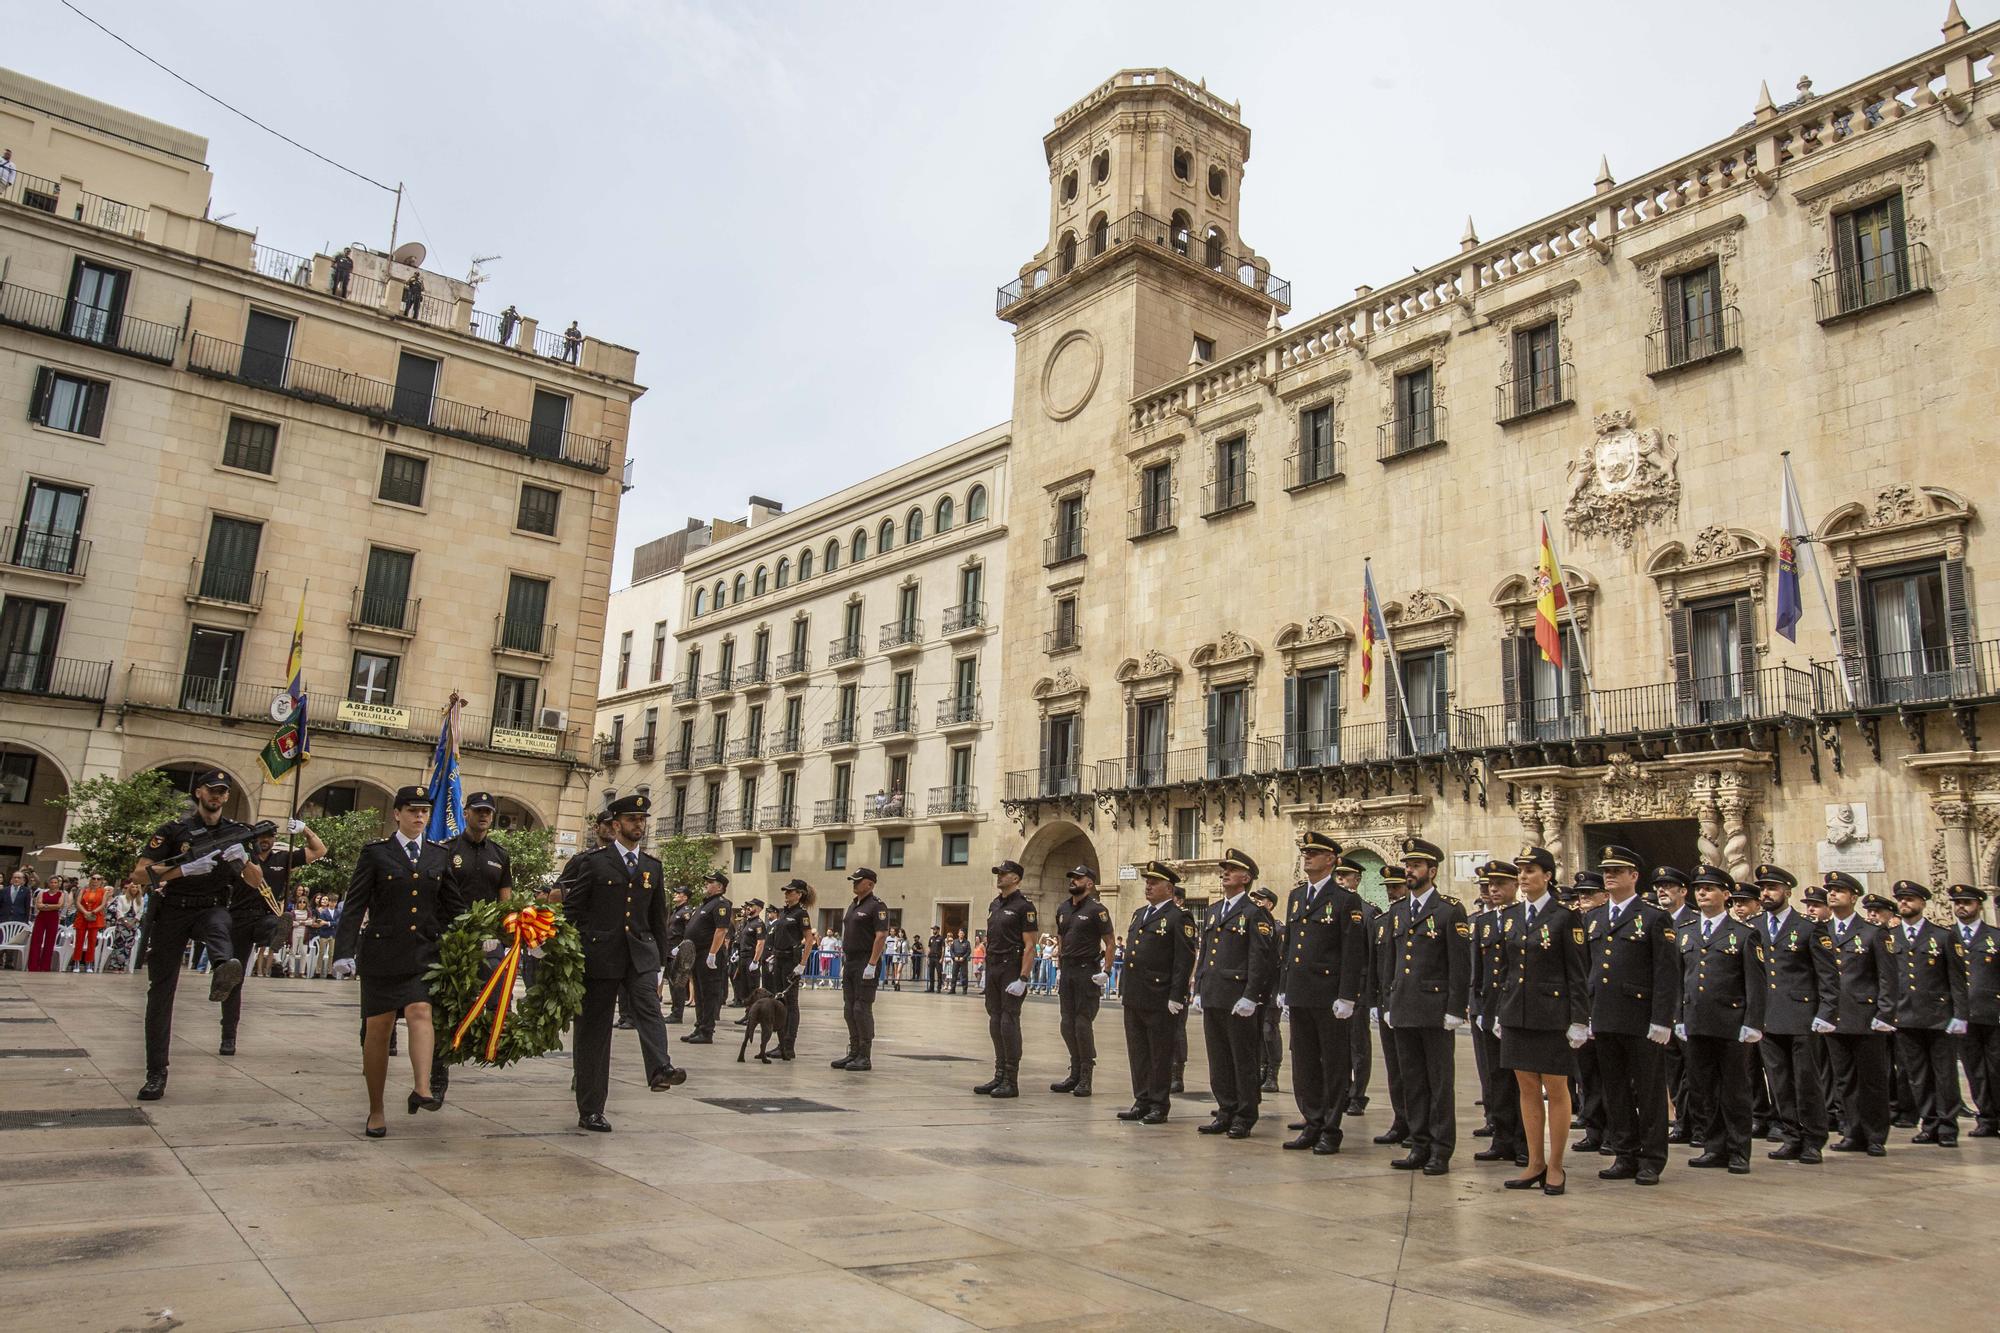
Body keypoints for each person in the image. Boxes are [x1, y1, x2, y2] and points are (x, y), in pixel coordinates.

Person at [130, 770, 264, 1101]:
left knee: (220, 925)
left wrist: (243, 860)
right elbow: (139, 873)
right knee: (160, 993)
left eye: (222, 791)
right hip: (174, 908)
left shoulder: (236, 832)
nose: (217, 796)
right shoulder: (173, 831)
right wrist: (182, 870)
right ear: (199, 792)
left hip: (212, 905)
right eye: (212, 790)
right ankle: (156, 1072)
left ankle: (223, 968)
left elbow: (256, 881)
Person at [330, 787, 447, 1137]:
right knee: (378, 1030)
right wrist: (343, 953)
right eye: (412, 810)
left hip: (422, 953)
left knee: (420, 1012)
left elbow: (452, 906)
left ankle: (423, 1087)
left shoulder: (438, 857)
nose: (419, 817)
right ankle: (376, 1109)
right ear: (396, 814)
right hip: (381, 954)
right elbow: (355, 905)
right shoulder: (376, 854)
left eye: (424, 811)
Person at [1584, 846, 1679, 1187]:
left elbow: (1667, 973)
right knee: (1615, 1089)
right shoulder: (1593, 918)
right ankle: (1624, 1152)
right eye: (1606, 870)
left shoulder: (1653, 917)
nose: (1609, 875)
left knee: (1650, 1091)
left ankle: (1652, 1158)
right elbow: (1588, 971)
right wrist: (1586, 1016)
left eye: (1617, 870)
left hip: (1641, 1019)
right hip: (1605, 1017)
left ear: (1634, 876)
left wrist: (1662, 1020)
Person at [1494, 845, 1586, 1195]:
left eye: (1531, 870)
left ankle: (1557, 1166)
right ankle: (1535, 1162)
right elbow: (1506, 969)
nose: (1523, 876)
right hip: (1517, 1011)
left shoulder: (1565, 917)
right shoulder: (1513, 916)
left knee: (1556, 1088)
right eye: (1520, 870)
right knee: (1526, 1088)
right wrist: (1501, 1010)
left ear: (1547, 876)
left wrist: (1579, 1019)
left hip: (1552, 1015)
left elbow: (1577, 973)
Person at [1384, 837, 1470, 1175]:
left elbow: (1459, 965)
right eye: (1408, 865)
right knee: (1413, 1081)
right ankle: (1418, 1144)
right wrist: (1389, 1000)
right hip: (1404, 1007)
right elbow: (1391, 962)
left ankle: (1440, 1148)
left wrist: (1455, 1008)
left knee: (1439, 1082)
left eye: (1416, 865)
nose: (1409, 870)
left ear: (1432, 871)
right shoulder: (1398, 911)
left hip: (1435, 1009)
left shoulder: (1449, 910)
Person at [1277, 833, 1366, 1156]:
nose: (1307, 857)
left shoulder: (1345, 900)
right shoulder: (1297, 896)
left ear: (1331, 859)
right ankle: (1311, 1120)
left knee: (1333, 1063)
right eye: (1305, 852)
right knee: (1304, 1063)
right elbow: (1290, 947)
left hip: (1329, 996)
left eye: (1314, 853)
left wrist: (1347, 996)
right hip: (1301, 992)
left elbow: (1353, 952)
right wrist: (1284, 988)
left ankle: (1330, 1127)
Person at [1677, 863, 1766, 1174]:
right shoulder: (1685, 933)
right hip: (1697, 1021)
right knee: (1704, 1089)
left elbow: (1755, 983)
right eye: (1699, 887)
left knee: (1735, 1090)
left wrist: (1753, 1022)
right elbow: (1679, 979)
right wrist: (1679, 1016)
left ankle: (1739, 1149)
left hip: (1731, 1022)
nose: (1702, 892)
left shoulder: (1743, 934)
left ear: (1725, 894)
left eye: (1710, 888)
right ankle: (1714, 1146)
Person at [220, 819, 324, 1054]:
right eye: (261, 836)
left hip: (266, 914)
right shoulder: (240, 858)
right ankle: (229, 1035)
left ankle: (276, 937)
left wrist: (304, 830)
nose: (265, 840)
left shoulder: (283, 859)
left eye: (270, 836)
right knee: (234, 978)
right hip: (238, 918)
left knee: (276, 923)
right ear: (253, 839)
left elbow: (319, 850)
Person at [1194, 848, 1277, 1139]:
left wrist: (1252, 995)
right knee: (1218, 1057)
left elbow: (1261, 958)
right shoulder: (1215, 910)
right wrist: (1199, 986)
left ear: (1246, 878)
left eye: (1231, 869)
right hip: (1215, 993)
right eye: (1224, 868)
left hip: (1239, 997)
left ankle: (1245, 1113)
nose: (1225, 872)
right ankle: (1225, 1108)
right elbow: (1205, 952)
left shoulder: (1255, 913)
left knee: (1243, 1058)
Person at [1814, 871, 1895, 1156]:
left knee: (1871, 1079)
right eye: (1830, 890)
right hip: (1834, 1016)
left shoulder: (1872, 932)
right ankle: (1852, 1130)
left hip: (1865, 1014)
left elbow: (1887, 977)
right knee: (1844, 1079)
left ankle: (1875, 1135)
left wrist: (1885, 1013)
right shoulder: (1821, 932)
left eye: (1839, 890)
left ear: (1853, 897)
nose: (1832, 894)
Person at [1886, 879, 1969, 1147]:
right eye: (1900, 899)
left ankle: (1947, 1126)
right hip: (1905, 1015)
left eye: (1909, 899)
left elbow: (1957, 979)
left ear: (1922, 903)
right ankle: (1929, 1122)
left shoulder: (1942, 936)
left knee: (1944, 1074)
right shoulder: (1890, 938)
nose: (1904, 903)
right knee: (1917, 1075)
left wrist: (1960, 1014)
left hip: (1937, 1015)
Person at [1754, 864, 1827, 1164]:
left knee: (1806, 1080)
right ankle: (1791, 1134)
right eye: (1762, 888)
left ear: (1787, 891)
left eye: (1772, 887)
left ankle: (1813, 1139)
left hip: (1801, 1015)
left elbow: (1826, 974)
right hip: (1768, 1017)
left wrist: (1826, 1012)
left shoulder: (1808, 927)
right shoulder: (1755, 928)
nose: (1766, 893)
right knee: (1779, 1081)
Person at [1118, 861, 1196, 1124]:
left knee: (1159, 1053)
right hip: (1135, 994)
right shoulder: (1140, 913)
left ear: (1169, 888)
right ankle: (1142, 1099)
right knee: (1138, 1051)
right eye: (1147, 882)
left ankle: (1159, 1104)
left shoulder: (1179, 917)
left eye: (1154, 882)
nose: (1148, 886)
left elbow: (1183, 960)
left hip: (1160, 996)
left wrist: (1177, 995)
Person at [1470, 860, 1523, 1168]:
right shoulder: (1484, 922)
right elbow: (1480, 968)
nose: (1494, 890)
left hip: (1514, 1009)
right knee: (1496, 1079)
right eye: (1490, 885)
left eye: (1501, 884)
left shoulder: (1522, 918)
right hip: (1489, 1010)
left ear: (1515, 886)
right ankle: (1501, 1137)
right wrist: (1476, 1006)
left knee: (1520, 1081)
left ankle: (1523, 1141)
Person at [1051, 864, 1116, 1097]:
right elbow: (1060, 936)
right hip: (1068, 970)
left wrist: (1107, 971)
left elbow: (1110, 942)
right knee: (1066, 1023)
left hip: (1086, 971)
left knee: (1082, 1023)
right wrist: (1060, 963)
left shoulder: (1097, 910)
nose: (1073, 881)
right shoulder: (1063, 908)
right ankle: (1075, 1070)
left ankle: (1087, 1074)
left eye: (1078, 878)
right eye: (1072, 877)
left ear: (1089, 883)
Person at [975, 861, 1039, 1098]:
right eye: (998, 874)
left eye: (1004, 874)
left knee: (1008, 1022)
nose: (999, 877)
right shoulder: (995, 904)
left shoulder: (1025, 907)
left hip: (1012, 966)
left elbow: (1030, 945)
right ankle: (999, 1074)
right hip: (993, 966)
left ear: (1016, 878)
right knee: (994, 1019)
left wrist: (1023, 977)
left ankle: (1011, 1079)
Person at [1948, 885, 2000, 1137]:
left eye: (1967, 902)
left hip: (1992, 1013)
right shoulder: (1947, 936)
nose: (1961, 907)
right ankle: (1987, 1117)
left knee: (1996, 1066)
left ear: (1979, 905)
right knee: (1974, 1069)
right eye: (1957, 902)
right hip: (1963, 1015)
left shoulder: (1994, 936)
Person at [1369, 864, 1412, 1147]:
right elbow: (1376, 964)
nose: (1392, 893)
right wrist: (1374, 1001)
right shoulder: (1382, 922)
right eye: (1388, 889)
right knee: (1395, 1069)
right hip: (1387, 1004)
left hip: (1411, 1004)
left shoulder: (1416, 917)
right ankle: (1401, 1120)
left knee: (1414, 1070)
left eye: (1397, 887)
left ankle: (1420, 1124)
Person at [832, 868, 889, 1071]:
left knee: (861, 1008)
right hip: (851, 961)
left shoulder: (876, 906)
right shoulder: (853, 905)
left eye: (858, 881)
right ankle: (853, 1051)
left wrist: (872, 964)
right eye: (853, 881)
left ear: (870, 884)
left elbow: (881, 935)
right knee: (849, 1008)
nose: (854, 884)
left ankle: (865, 1055)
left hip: (866, 960)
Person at [764, 879, 815, 1059]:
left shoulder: (801, 914)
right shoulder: (784, 912)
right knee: (779, 1002)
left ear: (799, 894)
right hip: (779, 959)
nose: (786, 894)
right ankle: (780, 1043)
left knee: (790, 1003)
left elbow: (809, 940)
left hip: (790, 961)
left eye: (790, 891)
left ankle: (788, 1044)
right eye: (785, 891)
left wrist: (802, 964)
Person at [682, 870, 733, 1043]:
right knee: (700, 992)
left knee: (709, 992)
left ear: (719, 886)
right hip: (697, 953)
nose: (706, 884)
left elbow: (720, 931)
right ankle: (699, 1026)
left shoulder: (721, 904)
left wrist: (712, 954)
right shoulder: (706, 904)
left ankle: (707, 1031)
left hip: (708, 953)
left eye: (710, 882)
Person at [663, 885, 693, 1020]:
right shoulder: (676, 910)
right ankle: (674, 1011)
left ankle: (677, 1013)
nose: (675, 894)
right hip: (670, 950)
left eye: (678, 893)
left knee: (678, 983)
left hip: (678, 951)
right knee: (672, 982)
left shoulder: (686, 911)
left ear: (685, 897)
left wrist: (680, 947)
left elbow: (689, 932)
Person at [68, 874, 108, 972]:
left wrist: (93, 912)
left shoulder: (103, 892)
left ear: (101, 881)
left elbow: (103, 904)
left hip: (95, 917)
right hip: (82, 916)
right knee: (79, 941)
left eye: (98, 879)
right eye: (93, 878)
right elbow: (77, 902)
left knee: (92, 942)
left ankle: (89, 963)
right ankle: (76, 962)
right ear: (90, 879)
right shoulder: (84, 889)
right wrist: (85, 912)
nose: (95, 880)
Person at [26, 874, 64, 971]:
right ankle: (33, 965)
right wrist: (50, 906)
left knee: (49, 942)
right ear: (48, 883)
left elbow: (59, 906)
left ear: (58, 884)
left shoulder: (61, 894)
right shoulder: (42, 893)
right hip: (41, 918)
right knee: (36, 940)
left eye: (55, 882)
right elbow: (38, 905)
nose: (53, 884)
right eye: (51, 882)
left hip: (53, 918)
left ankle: (45, 966)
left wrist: (45, 906)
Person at [948, 930, 970, 994]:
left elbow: (969, 951)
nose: (961, 934)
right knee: (954, 974)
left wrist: (964, 957)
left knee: (964, 975)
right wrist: (954, 957)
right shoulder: (954, 942)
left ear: (964, 934)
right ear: (958, 934)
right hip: (956, 960)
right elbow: (951, 950)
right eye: (960, 933)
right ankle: (952, 989)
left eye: (962, 933)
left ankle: (964, 989)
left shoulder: (967, 942)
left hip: (963, 960)